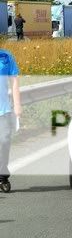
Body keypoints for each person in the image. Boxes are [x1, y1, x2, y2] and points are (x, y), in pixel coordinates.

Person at [0, 49, 22, 192]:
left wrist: (17, 105)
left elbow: (14, 82)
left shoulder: (6, 57)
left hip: (3, 109)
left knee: (4, 140)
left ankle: (2, 177)